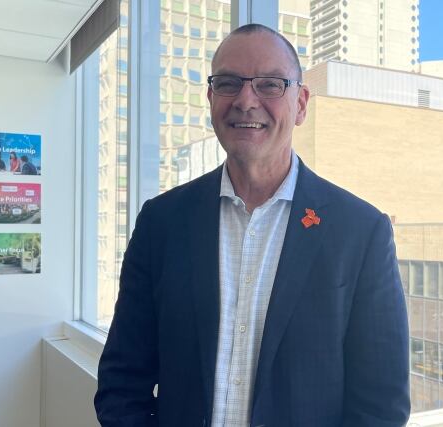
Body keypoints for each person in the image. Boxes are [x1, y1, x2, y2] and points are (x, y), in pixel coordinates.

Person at [95, 24, 409, 427]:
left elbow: (380, 408)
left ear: (301, 104)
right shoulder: (161, 222)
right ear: (211, 99)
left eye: (270, 84)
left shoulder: (361, 232)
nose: (245, 100)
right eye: (228, 83)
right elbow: (122, 382)